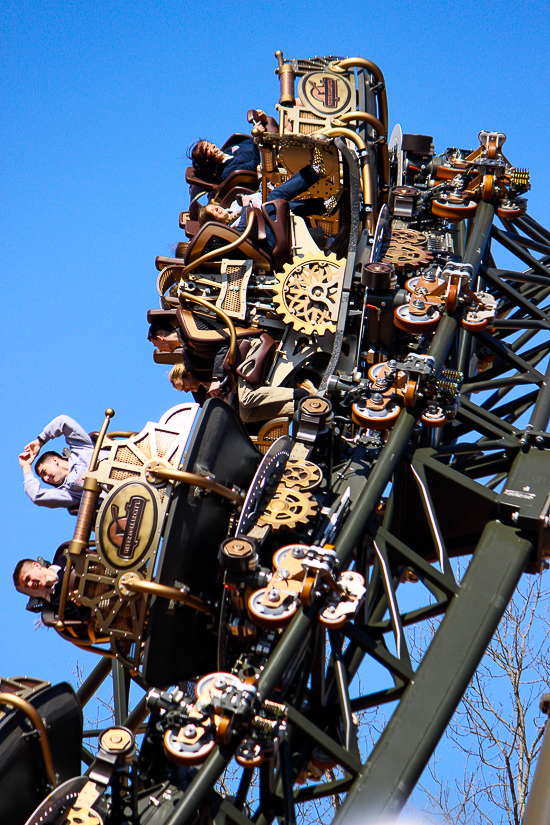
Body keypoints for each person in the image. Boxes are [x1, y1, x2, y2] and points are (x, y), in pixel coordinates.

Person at [196, 155, 342, 255]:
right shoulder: (229, 230)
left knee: (279, 203)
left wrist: (262, 191)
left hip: (271, 221)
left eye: (214, 206)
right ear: (214, 221)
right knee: (275, 200)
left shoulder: (235, 204)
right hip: (267, 240)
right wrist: (247, 207)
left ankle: (323, 205)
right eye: (213, 212)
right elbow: (244, 232)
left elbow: (259, 197)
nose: (217, 208)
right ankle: (315, 173)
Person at [169, 351, 313, 423]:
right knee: (246, 415)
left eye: (184, 387)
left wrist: (217, 378)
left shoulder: (201, 366)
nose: (186, 391)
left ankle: (300, 392)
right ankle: (297, 406)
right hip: (239, 382)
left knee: (247, 399)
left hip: (244, 363)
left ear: (188, 374)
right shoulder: (204, 389)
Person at [18, 415, 95, 509]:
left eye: (44, 472)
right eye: (43, 479)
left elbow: (63, 421)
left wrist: (40, 441)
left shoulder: (81, 449)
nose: (46, 479)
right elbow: (36, 496)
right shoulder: (68, 493)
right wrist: (26, 466)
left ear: (55, 460)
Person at [189, 110, 271, 184]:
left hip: (274, 147)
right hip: (272, 166)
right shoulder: (228, 172)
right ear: (207, 160)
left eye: (210, 144)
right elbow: (255, 165)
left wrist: (262, 123)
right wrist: (258, 138)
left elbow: (251, 141)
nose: (213, 146)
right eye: (207, 149)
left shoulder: (229, 150)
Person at [13, 558, 90, 622]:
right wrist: (81, 604)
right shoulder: (58, 604)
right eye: (27, 585)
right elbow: (85, 618)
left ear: (37, 565)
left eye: (28, 578)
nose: (30, 585)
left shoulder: (64, 557)